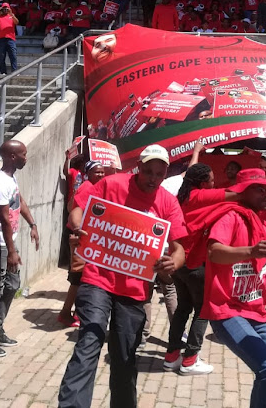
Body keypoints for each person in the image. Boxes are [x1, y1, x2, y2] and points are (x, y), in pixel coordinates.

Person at [59, 144, 186, 408]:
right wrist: (80, 224)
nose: (153, 178)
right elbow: (77, 208)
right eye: (148, 171)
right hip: (98, 279)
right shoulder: (112, 184)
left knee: (125, 357)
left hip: (135, 291)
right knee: (89, 344)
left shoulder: (167, 202)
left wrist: (171, 264)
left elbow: (179, 249)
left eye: (159, 173)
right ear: (138, 167)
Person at [194, 168, 266, 408]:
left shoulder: (264, 225)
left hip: (257, 313)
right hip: (227, 311)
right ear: (243, 192)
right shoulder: (230, 217)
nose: (265, 194)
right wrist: (251, 251)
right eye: (259, 189)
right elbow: (214, 252)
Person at [163, 162, 240, 375]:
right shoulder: (199, 196)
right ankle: (190, 359)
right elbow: (230, 195)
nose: (214, 184)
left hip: (177, 262)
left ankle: (171, 356)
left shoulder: (182, 196)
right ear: (203, 183)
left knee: (183, 308)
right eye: (212, 180)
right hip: (194, 263)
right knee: (203, 309)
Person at [0, 140, 40, 357]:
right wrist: (11, 252)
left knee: (12, 285)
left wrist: (33, 224)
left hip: (7, 243)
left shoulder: (11, 179)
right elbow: (4, 220)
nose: (26, 157)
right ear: (12, 157)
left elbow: (19, 200)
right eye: (23, 154)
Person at [59, 159, 106, 328]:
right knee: (79, 277)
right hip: (80, 236)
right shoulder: (87, 188)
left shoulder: (96, 188)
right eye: (97, 171)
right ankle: (71, 313)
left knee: (80, 277)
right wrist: (77, 231)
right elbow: (75, 210)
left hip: (87, 237)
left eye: (102, 171)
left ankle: (72, 313)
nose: (100, 174)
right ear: (88, 173)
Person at [0, 3, 19, 75]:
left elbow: (16, 22)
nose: (5, 10)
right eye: (4, 8)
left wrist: (11, 14)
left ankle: (14, 71)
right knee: (2, 56)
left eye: (7, 8)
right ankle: (3, 72)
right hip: (1, 39)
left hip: (10, 39)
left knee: (13, 55)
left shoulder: (11, 16)